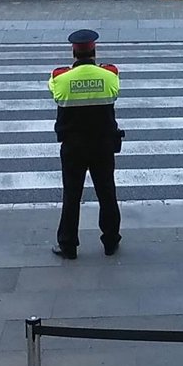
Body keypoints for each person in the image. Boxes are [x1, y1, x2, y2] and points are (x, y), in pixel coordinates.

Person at [48, 29, 124, 260]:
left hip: (73, 146)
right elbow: (115, 91)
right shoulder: (109, 75)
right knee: (107, 192)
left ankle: (68, 244)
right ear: (94, 50)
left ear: (73, 52)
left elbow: (55, 93)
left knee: (72, 195)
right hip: (102, 144)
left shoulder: (60, 78)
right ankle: (110, 241)